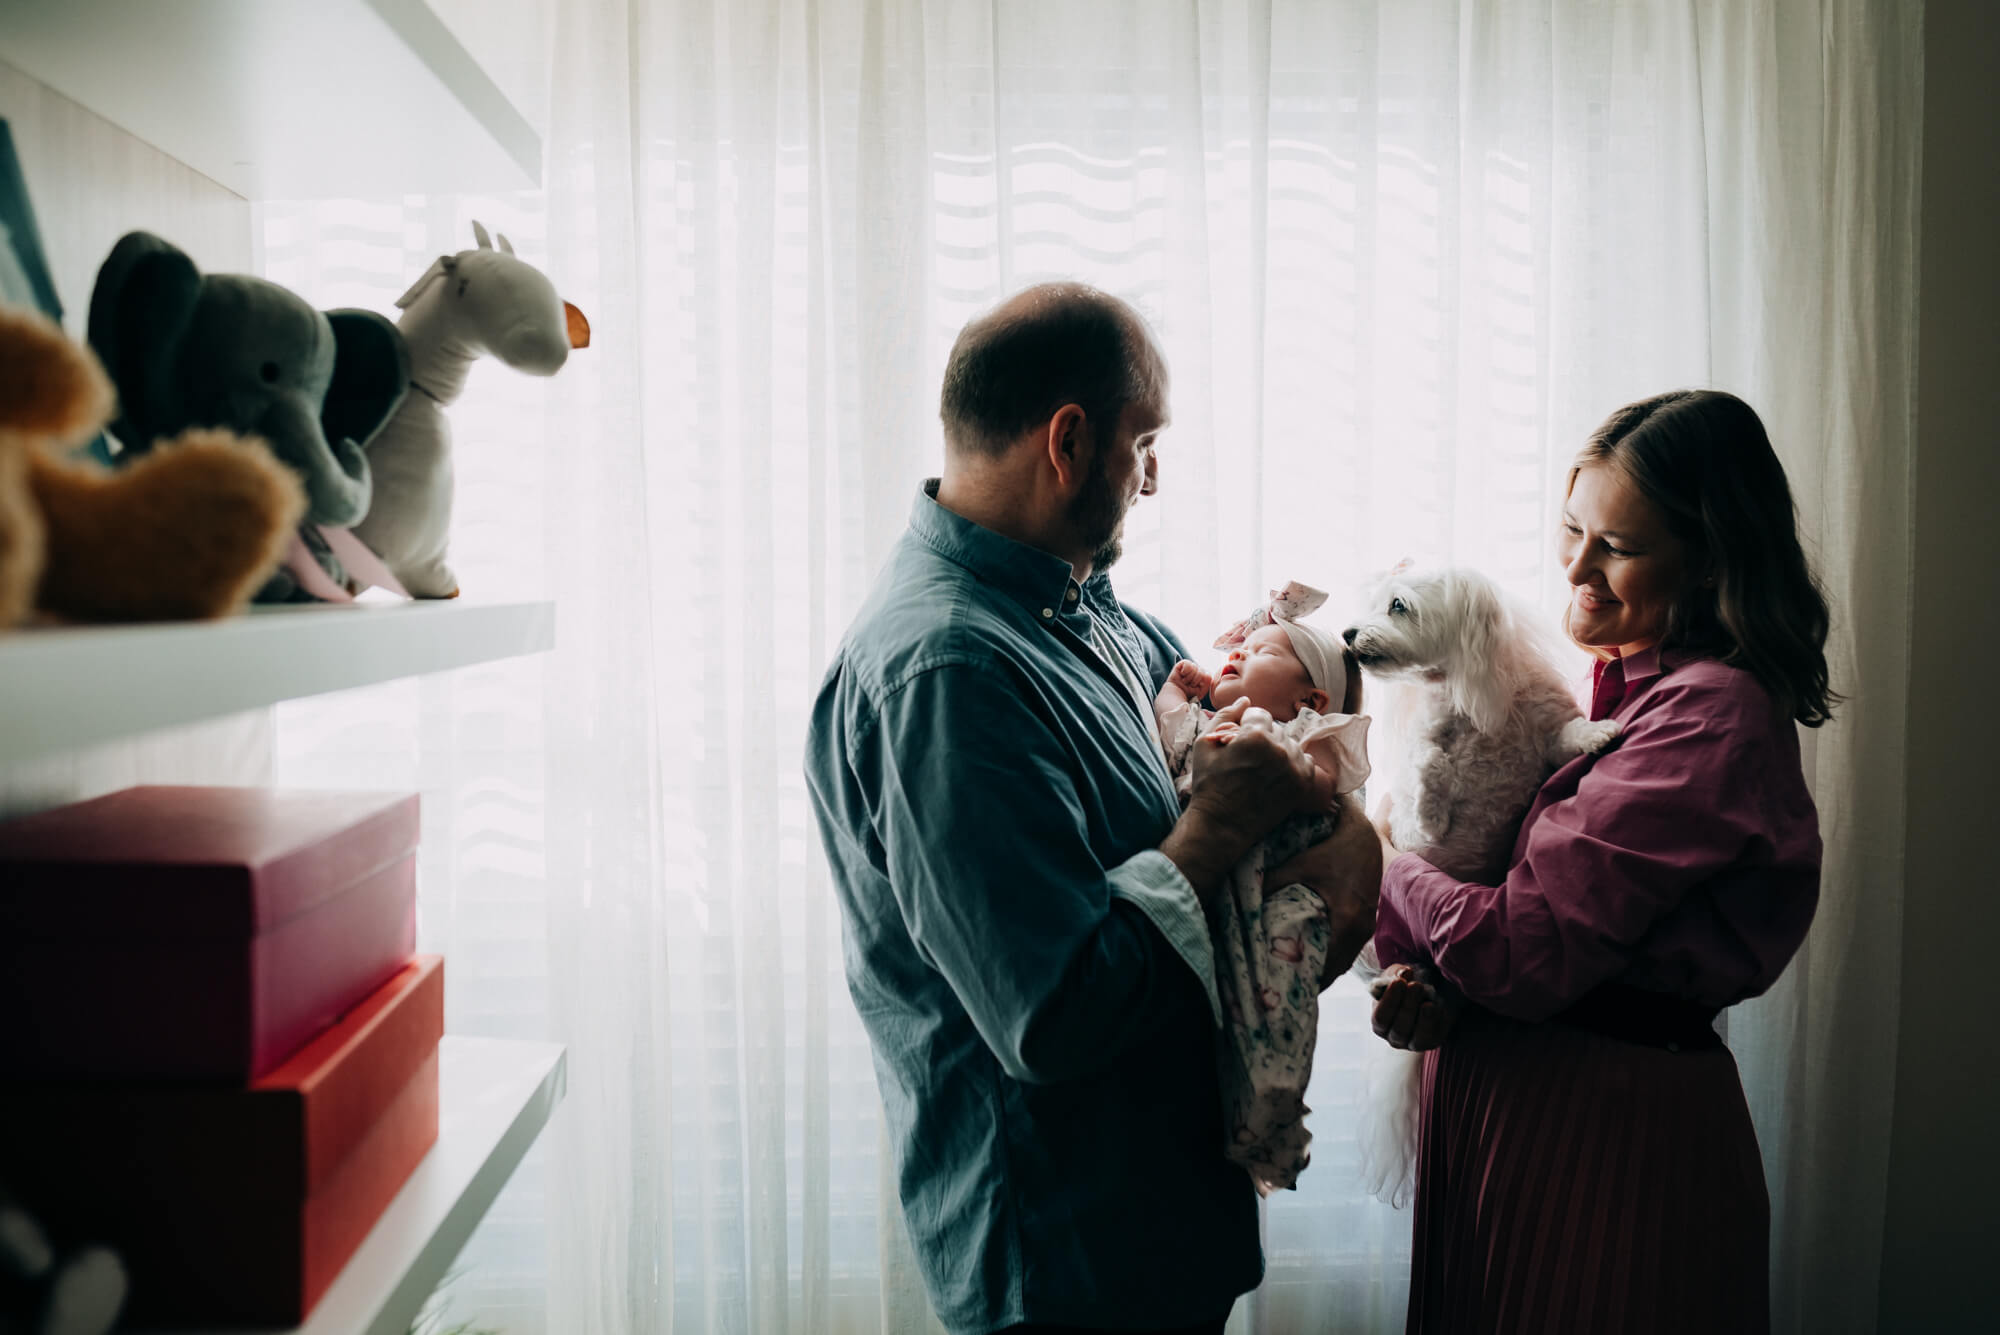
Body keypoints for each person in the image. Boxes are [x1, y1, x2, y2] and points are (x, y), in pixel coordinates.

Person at [804, 282, 1382, 1335]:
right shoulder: (945, 672)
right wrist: (1215, 834)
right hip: (1066, 1268)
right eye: (1143, 444)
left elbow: (1276, 770)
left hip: (1157, 1230)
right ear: (1068, 442)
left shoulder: (1093, 613)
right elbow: (1049, 1015)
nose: (1150, 481)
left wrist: (1353, 841)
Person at [1368, 389, 1831, 1335]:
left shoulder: (1709, 716)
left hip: (1606, 1136)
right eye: (1571, 528)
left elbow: (1522, 952)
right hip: (1515, 1110)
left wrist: (1374, 859)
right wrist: (1436, 986)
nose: (1575, 566)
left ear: (1708, 561)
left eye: (1617, 546)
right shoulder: (1609, 693)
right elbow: (1515, 927)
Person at [1151, 582, 1371, 1192]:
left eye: (1265, 652)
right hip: (1217, 887)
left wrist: (1263, 748)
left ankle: (1274, 1102)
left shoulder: (1307, 734)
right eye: (1241, 647)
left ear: (1311, 696)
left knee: (1279, 980)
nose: (1241, 653)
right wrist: (1178, 691)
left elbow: (1323, 789)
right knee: (1222, 998)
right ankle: (1237, 1097)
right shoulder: (1203, 723)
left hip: (1278, 885)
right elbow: (1169, 727)